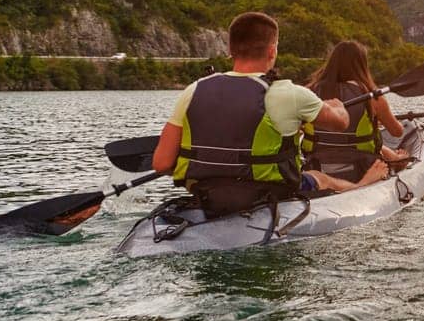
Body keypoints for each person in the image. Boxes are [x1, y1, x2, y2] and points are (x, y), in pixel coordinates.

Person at [150, 11, 389, 215]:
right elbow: (340, 122)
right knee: (320, 177)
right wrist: (337, 106)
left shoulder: (194, 90)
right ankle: (364, 185)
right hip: (268, 193)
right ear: (272, 50)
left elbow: (161, 163)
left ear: (230, 49)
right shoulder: (288, 93)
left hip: (207, 193)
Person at [303, 40, 410, 181]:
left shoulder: (308, 92)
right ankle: (396, 158)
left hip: (315, 168)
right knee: (376, 140)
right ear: (362, 66)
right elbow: (397, 132)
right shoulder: (373, 97)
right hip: (363, 170)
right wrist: (376, 122)